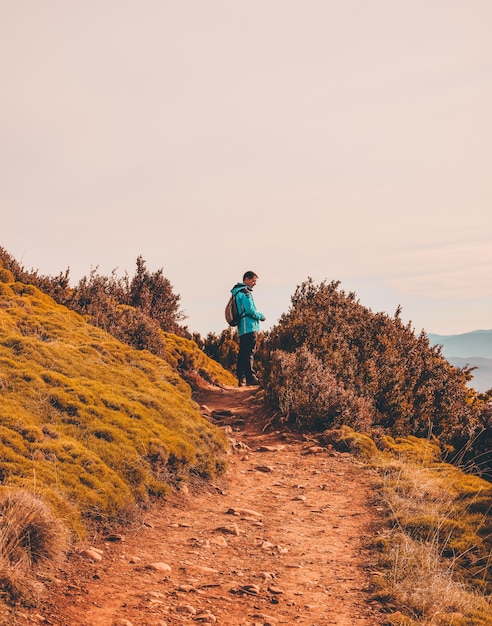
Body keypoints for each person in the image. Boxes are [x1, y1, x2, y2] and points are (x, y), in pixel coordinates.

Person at [230, 271, 266, 386]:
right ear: (246, 279)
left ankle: (241, 378)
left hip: (242, 328)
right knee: (249, 353)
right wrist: (261, 316)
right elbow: (250, 311)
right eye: (253, 280)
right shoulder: (245, 293)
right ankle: (251, 378)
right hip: (249, 327)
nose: (254, 283)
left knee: (242, 353)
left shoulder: (237, 293)